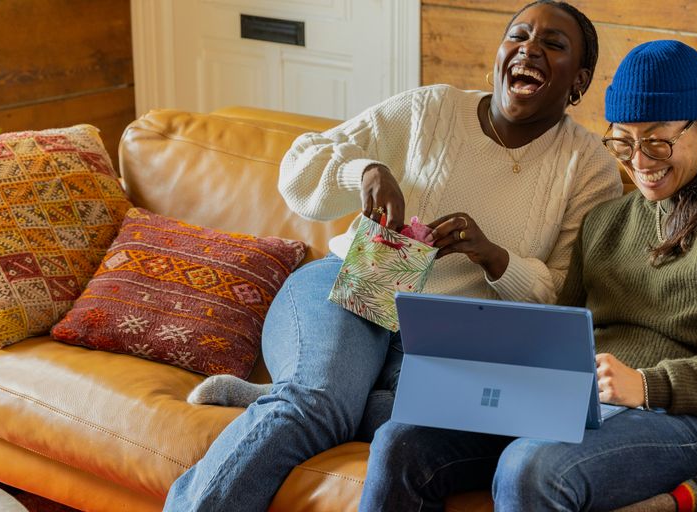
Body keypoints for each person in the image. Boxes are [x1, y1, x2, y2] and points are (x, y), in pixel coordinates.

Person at [163, 1, 622, 510]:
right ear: (500, 54)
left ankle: (305, 396)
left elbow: (567, 295)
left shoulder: (591, 170)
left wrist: (495, 258)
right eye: (518, 35)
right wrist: (364, 172)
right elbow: (300, 164)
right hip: (351, 284)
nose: (529, 49)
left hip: (449, 341)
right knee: (315, 405)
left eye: (553, 45)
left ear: (578, 82)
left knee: (433, 419)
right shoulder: (431, 109)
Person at [360, 40, 697, 511]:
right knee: (400, 441)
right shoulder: (606, 221)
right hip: (572, 400)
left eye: (657, 142)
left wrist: (649, 384)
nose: (639, 162)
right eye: (623, 142)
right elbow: (560, 330)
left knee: (530, 466)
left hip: (685, 414)